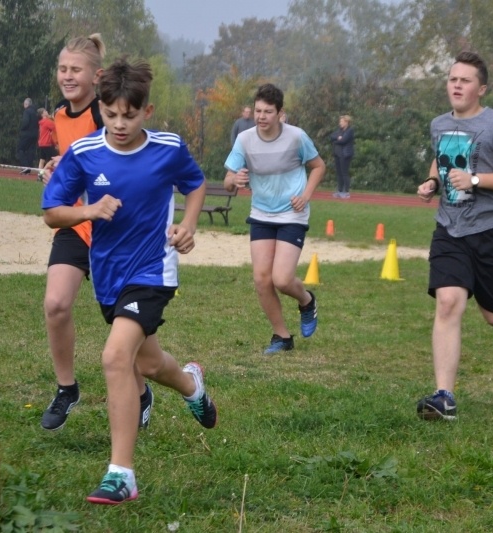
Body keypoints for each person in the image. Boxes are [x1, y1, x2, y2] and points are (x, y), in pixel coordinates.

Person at [42, 57, 216, 505]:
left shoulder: (168, 148)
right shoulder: (84, 154)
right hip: (108, 276)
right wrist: (88, 210)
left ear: (147, 112)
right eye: (110, 113)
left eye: (130, 115)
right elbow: (52, 212)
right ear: (100, 107)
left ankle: (121, 476)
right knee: (148, 364)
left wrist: (188, 226)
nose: (119, 123)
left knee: (116, 357)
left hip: (153, 272)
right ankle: (192, 385)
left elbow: (195, 185)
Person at [415, 51, 493, 421]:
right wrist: (432, 181)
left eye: (465, 80)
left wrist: (476, 179)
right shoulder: (439, 124)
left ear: (480, 88)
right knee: (449, 301)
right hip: (450, 228)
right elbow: (440, 158)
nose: (456, 84)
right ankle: (444, 397)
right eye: (452, 79)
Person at [39, 34, 128, 432]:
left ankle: (141, 390)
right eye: (63, 69)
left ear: (97, 75)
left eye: (76, 69)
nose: (68, 76)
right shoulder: (60, 114)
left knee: (124, 325)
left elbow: (121, 162)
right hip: (76, 224)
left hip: (113, 228)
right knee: (56, 304)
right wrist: (58, 170)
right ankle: (66, 388)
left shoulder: (105, 114)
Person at [223, 84, 325, 354]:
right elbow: (228, 182)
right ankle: (281, 336)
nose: (261, 116)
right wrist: (235, 179)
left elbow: (318, 166)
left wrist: (306, 195)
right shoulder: (244, 140)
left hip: (292, 213)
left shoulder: (296, 137)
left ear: (281, 113)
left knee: (281, 279)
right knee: (261, 279)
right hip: (261, 213)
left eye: (268, 111)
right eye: (258, 110)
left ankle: (306, 301)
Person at [329, 115, 355, 199]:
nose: (340, 123)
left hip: (345, 154)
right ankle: (339, 190)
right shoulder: (339, 130)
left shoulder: (350, 130)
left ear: (346, 122)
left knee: (344, 173)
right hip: (337, 154)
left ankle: (346, 192)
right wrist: (338, 138)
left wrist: (337, 141)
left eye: (342, 121)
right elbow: (332, 136)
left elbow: (344, 140)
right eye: (340, 121)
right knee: (339, 173)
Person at [17, 98, 38, 174]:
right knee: (30, 151)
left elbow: (25, 122)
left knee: (20, 149)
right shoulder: (35, 112)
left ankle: (25, 166)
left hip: (26, 134)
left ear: (26, 104)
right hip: (35, 134)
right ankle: (29, 169)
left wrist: (21, 128)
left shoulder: (27, 111)